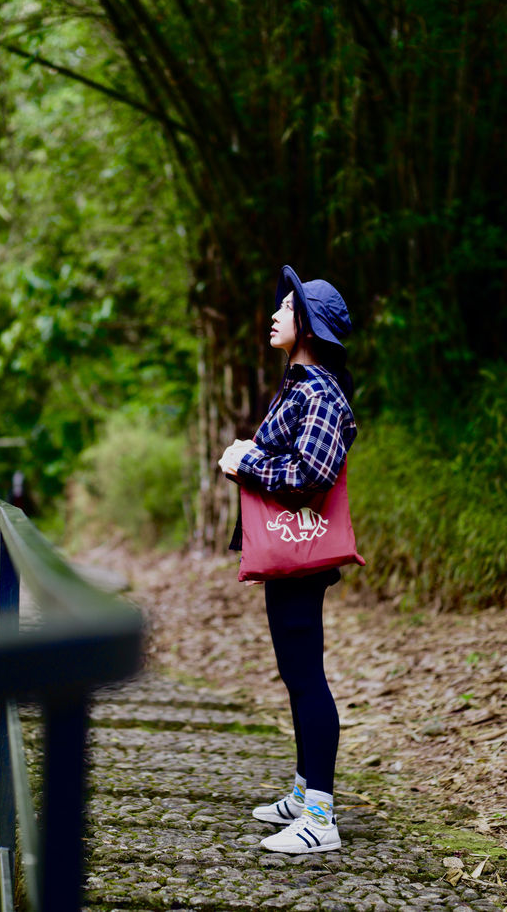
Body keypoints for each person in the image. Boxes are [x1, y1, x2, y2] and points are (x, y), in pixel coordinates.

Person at [218, 265, 357, 855]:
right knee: (296, 675)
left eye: (286, 307)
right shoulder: (299, 387)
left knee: (307, 679)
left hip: (301, 554)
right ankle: (305, 793)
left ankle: (320, 819)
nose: (275, 313)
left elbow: (312, 474)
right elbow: (294, 456)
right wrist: (252, 450)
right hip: (288, 554)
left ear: (308, 326)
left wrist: (245, 463)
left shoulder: (321, 390)